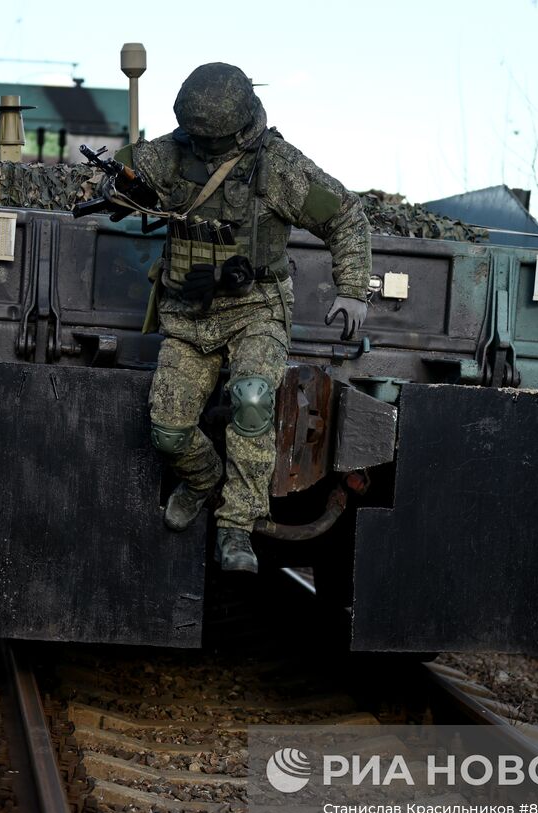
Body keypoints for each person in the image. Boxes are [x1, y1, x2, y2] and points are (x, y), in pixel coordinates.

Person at [113, 62, 371, 573]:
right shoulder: (175, 149)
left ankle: (237, 528)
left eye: (213, 139)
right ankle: (204, 478)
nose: (204, 147)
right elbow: (122, 172)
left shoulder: (276, 165)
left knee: (252, 400)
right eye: (198, 137)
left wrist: (353, 289)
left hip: (256, 309)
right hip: (188, 316)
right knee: (167, 431)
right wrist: (124, 189)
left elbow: (344, 214)